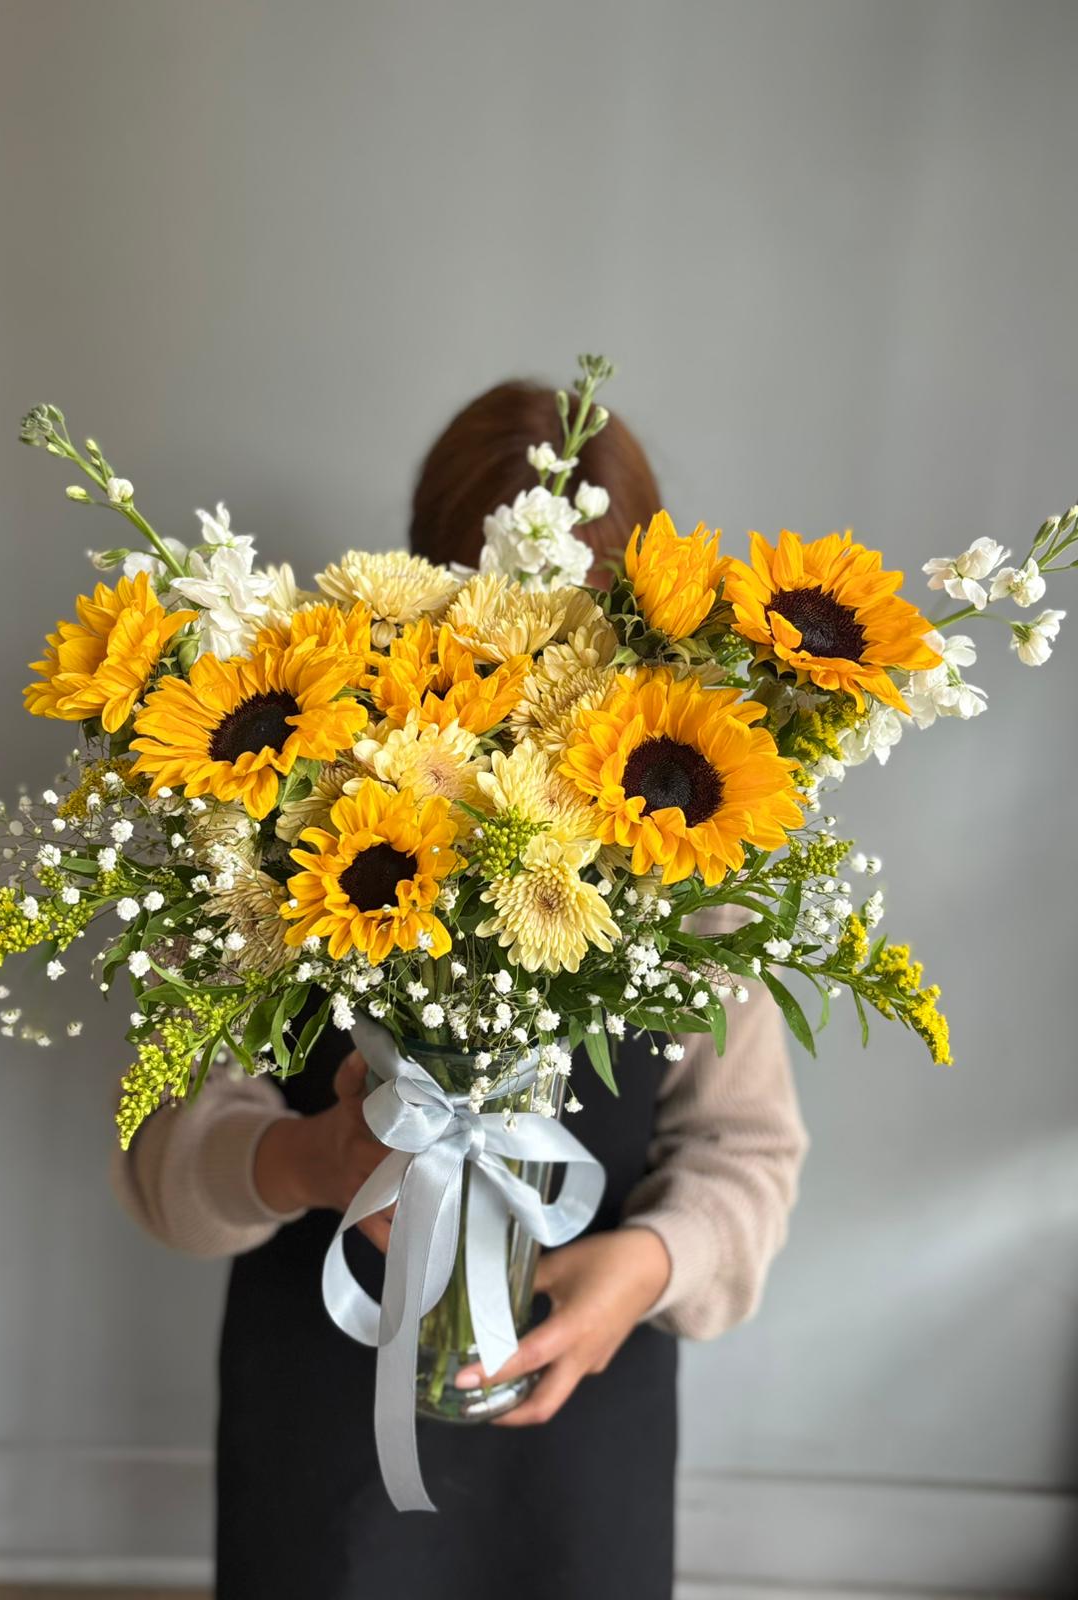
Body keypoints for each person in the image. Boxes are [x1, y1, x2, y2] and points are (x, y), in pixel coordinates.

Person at [112, 380, 810, 1600]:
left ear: (649, 628)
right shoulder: (273, 819)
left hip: (584, 1430)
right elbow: (161, 1156)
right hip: (322, 1423)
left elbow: (747, 1150)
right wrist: (311, 1161)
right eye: (502, 637)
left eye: (586, 641)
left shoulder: (705, 846)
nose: (540, 691)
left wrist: (646, 1266)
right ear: (428, 588)